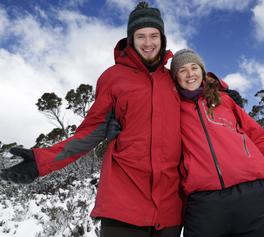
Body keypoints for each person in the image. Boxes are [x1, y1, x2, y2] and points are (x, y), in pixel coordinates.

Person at [0, 2, 183, 237]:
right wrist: (41, 161)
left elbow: (198, 115)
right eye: (141, 36)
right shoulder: (113, 77)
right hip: (123, 204)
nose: (148, 43)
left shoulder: (172, 81)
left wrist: (220, 92)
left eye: (154, 35)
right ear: (130, 39)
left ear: (162, 38)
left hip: (169, 208)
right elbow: (90, 132)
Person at [170, 48, 264, 237]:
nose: (190, 74)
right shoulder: (172, 109)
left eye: (194, 67)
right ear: (175, 77)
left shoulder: (225, 101)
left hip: (253, 197)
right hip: (205, 206)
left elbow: (260, 140)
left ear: (203, 71)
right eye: (182, 70)